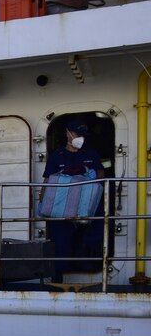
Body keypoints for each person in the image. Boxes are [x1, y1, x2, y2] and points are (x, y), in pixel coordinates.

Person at [42, 119, 105, 280]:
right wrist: (43, 203)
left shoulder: (90, 153)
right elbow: (47, 182)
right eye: (77, 134)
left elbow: (100, 176)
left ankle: (90, 271)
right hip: (62, 208)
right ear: (68, 133)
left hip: (85, 207)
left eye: (83, 135)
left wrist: (83, 175)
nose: (81, 138)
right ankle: (58, 279)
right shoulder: (57, 156)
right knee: (61, 241)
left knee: (88, 240)